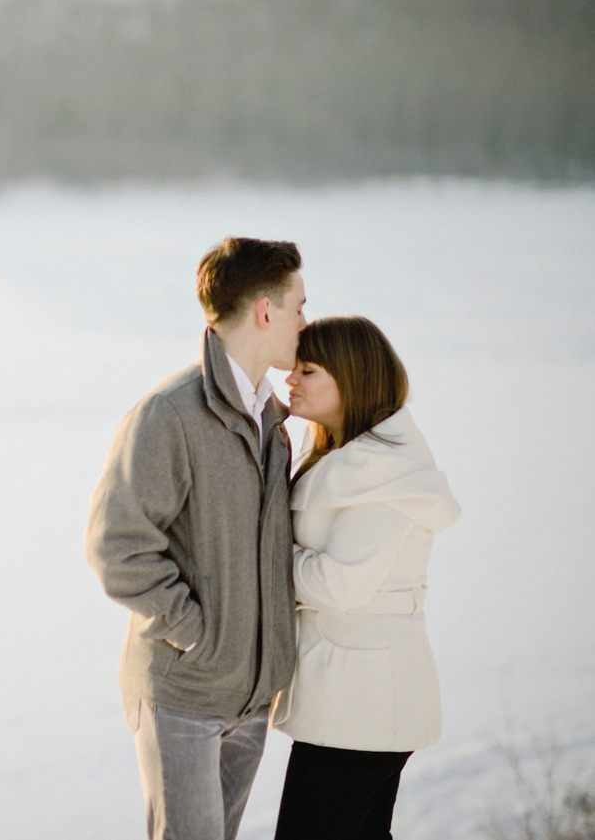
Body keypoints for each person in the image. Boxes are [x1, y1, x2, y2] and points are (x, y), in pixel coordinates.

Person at [86, 236, 306, 840]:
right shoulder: (169, 413)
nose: (304, 323)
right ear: (265, 311)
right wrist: (193, 631)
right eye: (298, 307)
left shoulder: (274, 423)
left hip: (250, 698)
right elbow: (116, 546)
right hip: (183, 694)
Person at [270, 315, 460, 840]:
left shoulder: (381, 472)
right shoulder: (344, 455)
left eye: (307, 371)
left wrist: (260, 555)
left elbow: (338, 584)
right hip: (351, 698)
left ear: (352, 378)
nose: (290, 381)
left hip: (366, 702)